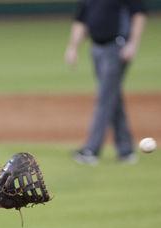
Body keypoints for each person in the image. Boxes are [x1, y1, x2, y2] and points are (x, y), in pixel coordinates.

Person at [65, 0, 148, 165]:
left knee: (105, 97)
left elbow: (138, 15)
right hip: (96, 48)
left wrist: (133, 44)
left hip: (117, 49)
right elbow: (81, 20)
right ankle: (126, 151)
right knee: (112, 97)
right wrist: (73, 47)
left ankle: (91, 150)